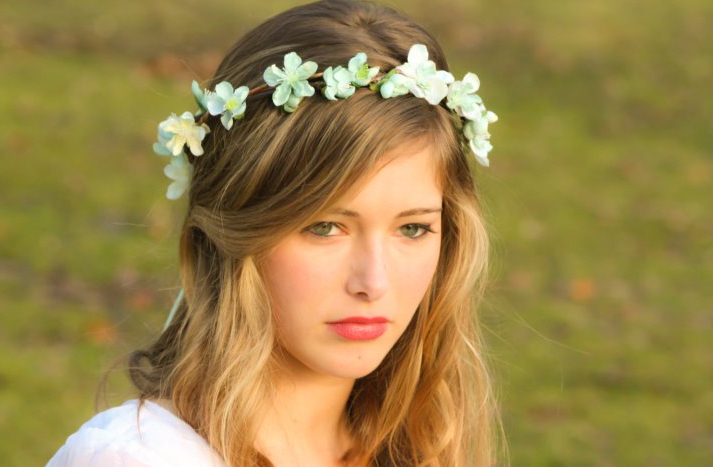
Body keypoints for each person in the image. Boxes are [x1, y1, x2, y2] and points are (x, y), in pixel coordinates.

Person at [48, 0, 502, 465]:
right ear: (240, 228)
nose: (374, 282)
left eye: (412, 228)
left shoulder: (420, 448)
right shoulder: (140, 459)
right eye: (325, 227)